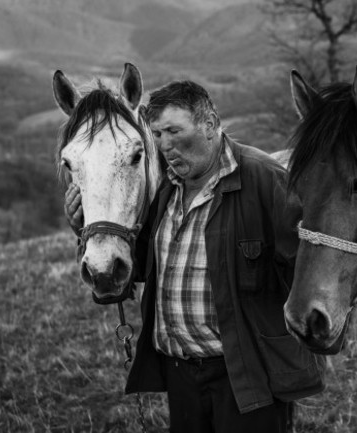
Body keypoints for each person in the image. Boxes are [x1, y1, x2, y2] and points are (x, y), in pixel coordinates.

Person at [64, 80, 324, 433]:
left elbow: (309, 268)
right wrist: (86, 231)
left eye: (174, 131)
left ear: (211, 124)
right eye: (156, 133)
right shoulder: (166, 189)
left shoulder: (265, 179)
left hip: (247, 375)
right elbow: (142, 268)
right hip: (181, 375)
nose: (164, 145)